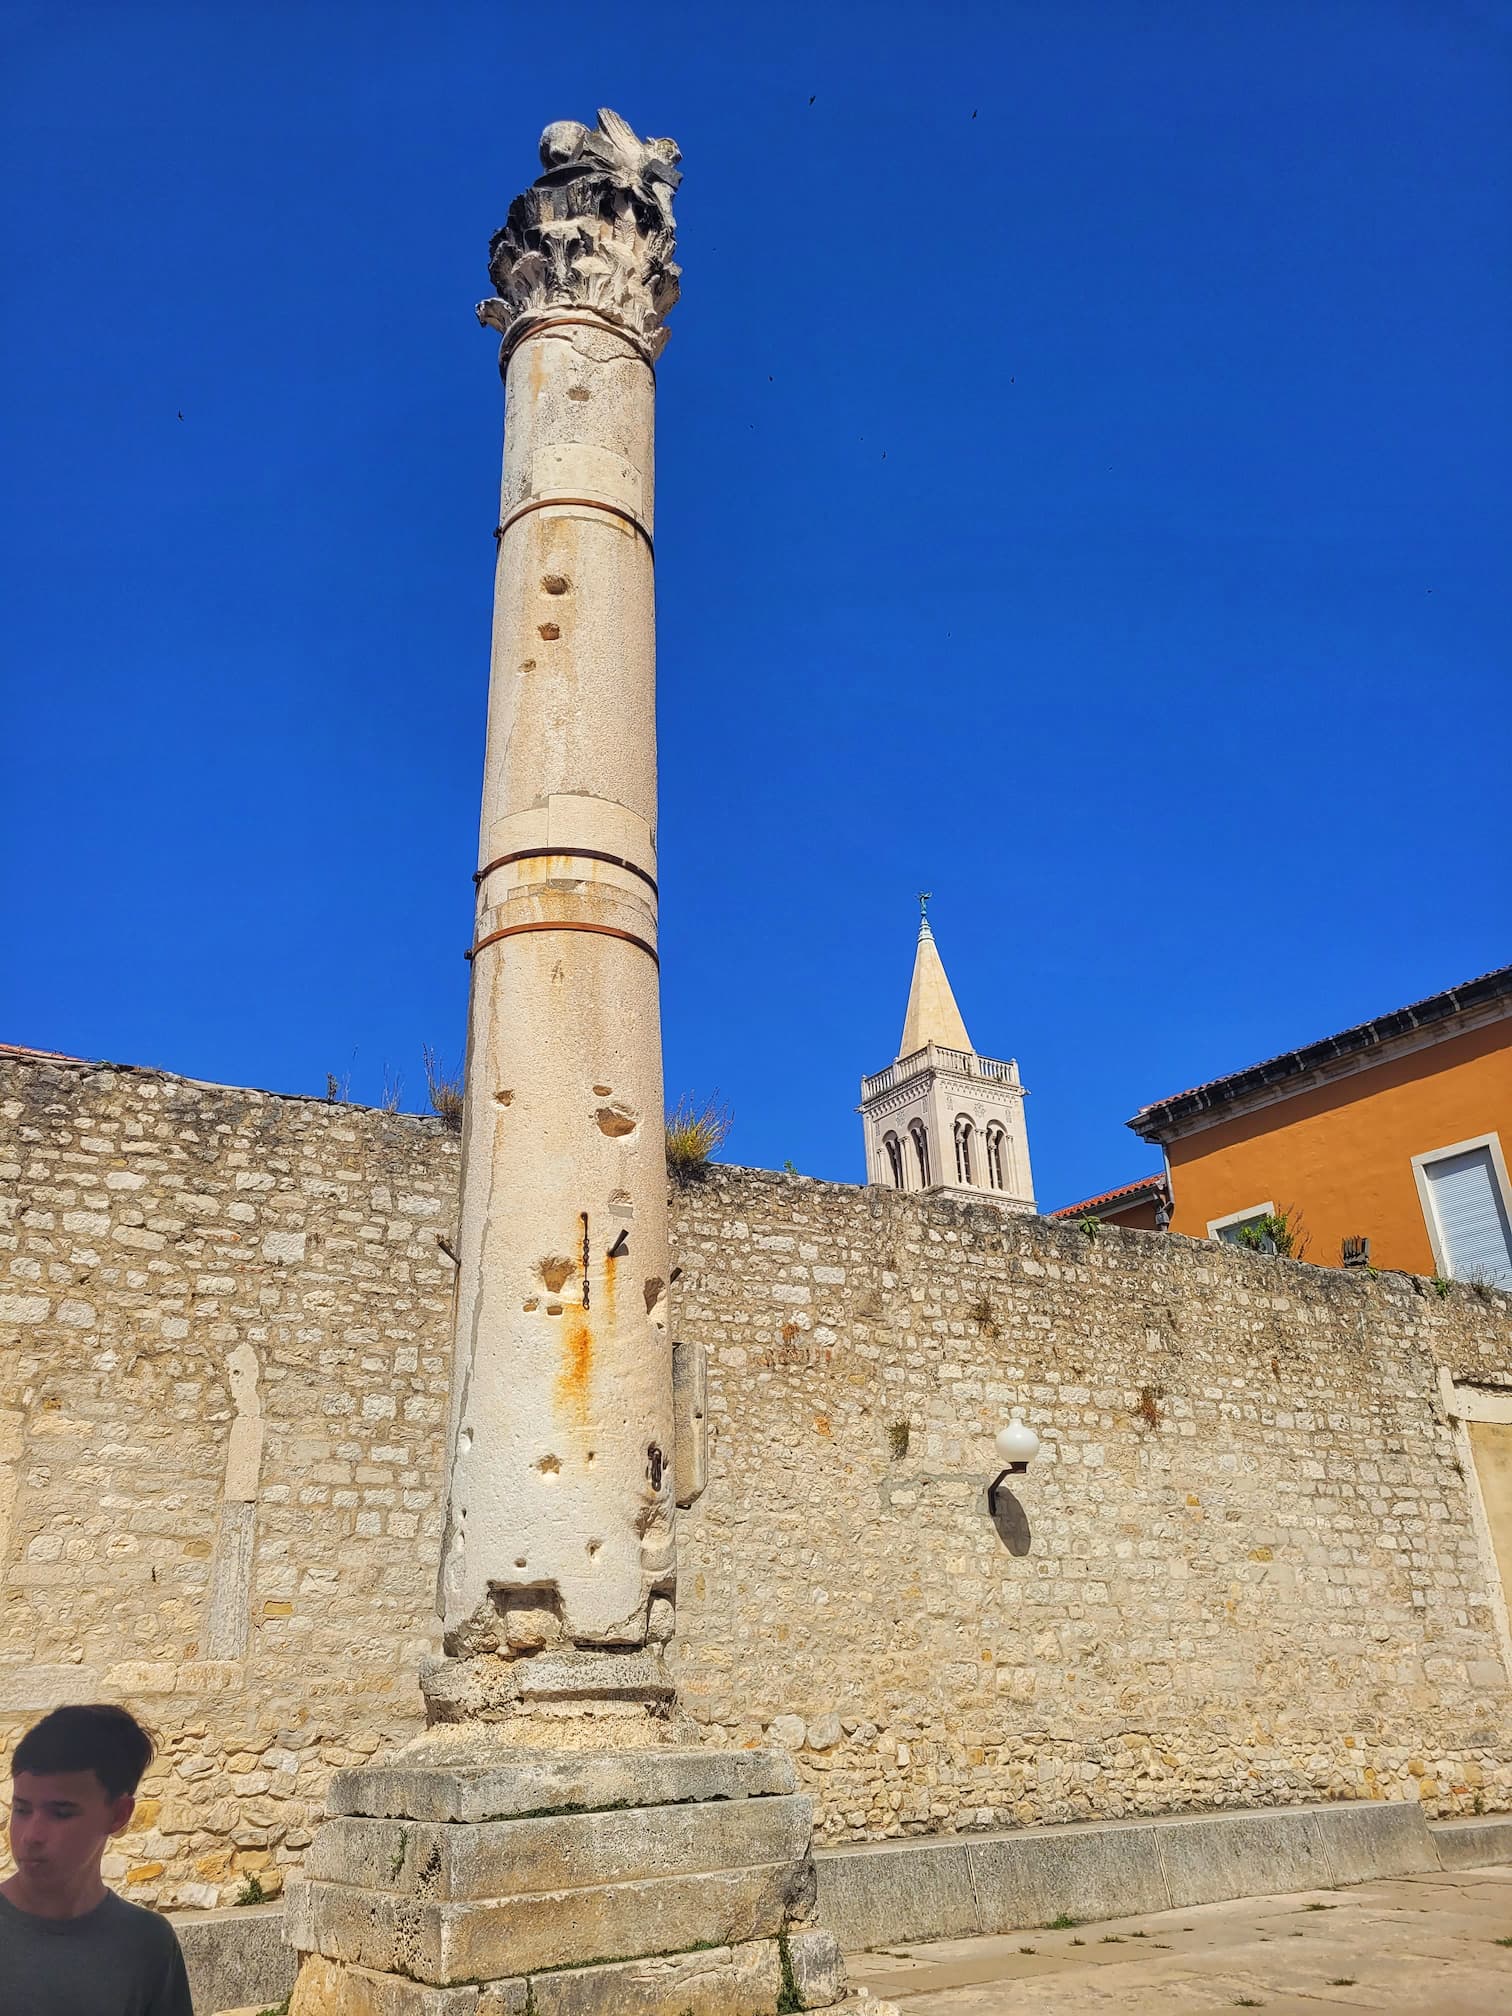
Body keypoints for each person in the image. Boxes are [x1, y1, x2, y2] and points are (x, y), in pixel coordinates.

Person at [1, 1702, 193, 2015]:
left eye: (61, 1813)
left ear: (118, 1815)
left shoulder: (149, 1945)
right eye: (22, 1809)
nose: (31, 1835)